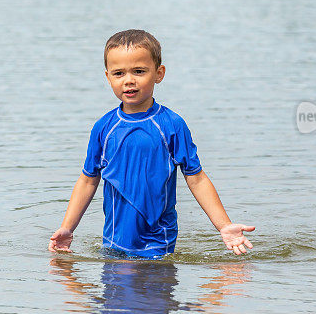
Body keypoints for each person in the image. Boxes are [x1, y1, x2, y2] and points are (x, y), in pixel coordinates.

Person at [48, 29, 254, 259]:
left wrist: (224, 226)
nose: (129, 80)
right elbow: (88, 180)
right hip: (114, 243)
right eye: (119, 73)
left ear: (159, 73)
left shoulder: (172, 125)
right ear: (108, 77)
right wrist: (68, 228)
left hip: (159, 244)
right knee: (116, 292)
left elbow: (196, 178)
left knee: (153, 294)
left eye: (139, 71)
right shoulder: (104, 128)